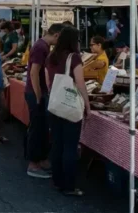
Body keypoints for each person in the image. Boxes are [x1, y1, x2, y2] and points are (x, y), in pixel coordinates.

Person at [45, 26, 91, 197]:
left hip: (55, 104)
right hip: (70, 106)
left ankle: (57, 181)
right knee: (70, 147)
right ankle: (69, 186)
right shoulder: (74, 58)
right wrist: (87, 104)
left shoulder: (51, 56)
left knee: (57, 144)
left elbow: (48, 80)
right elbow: (80, 83)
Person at [25, 23, 63, 179]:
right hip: (35, 93)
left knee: (40, 128)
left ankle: (38, 160)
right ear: (56, 35)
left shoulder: (42, 46)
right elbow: (34, 73)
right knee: (37, 129)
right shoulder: (41, 47)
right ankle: (33, 165)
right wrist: (39, 95)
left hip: (36, 92)